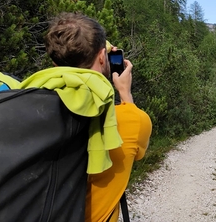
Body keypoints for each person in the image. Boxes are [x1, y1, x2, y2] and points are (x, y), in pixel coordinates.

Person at [44, 12, 152, 222]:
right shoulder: (132, 120)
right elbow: (137, 153)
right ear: (102, 57)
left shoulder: (34, 103)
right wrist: (125, 94)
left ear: (56, 64)